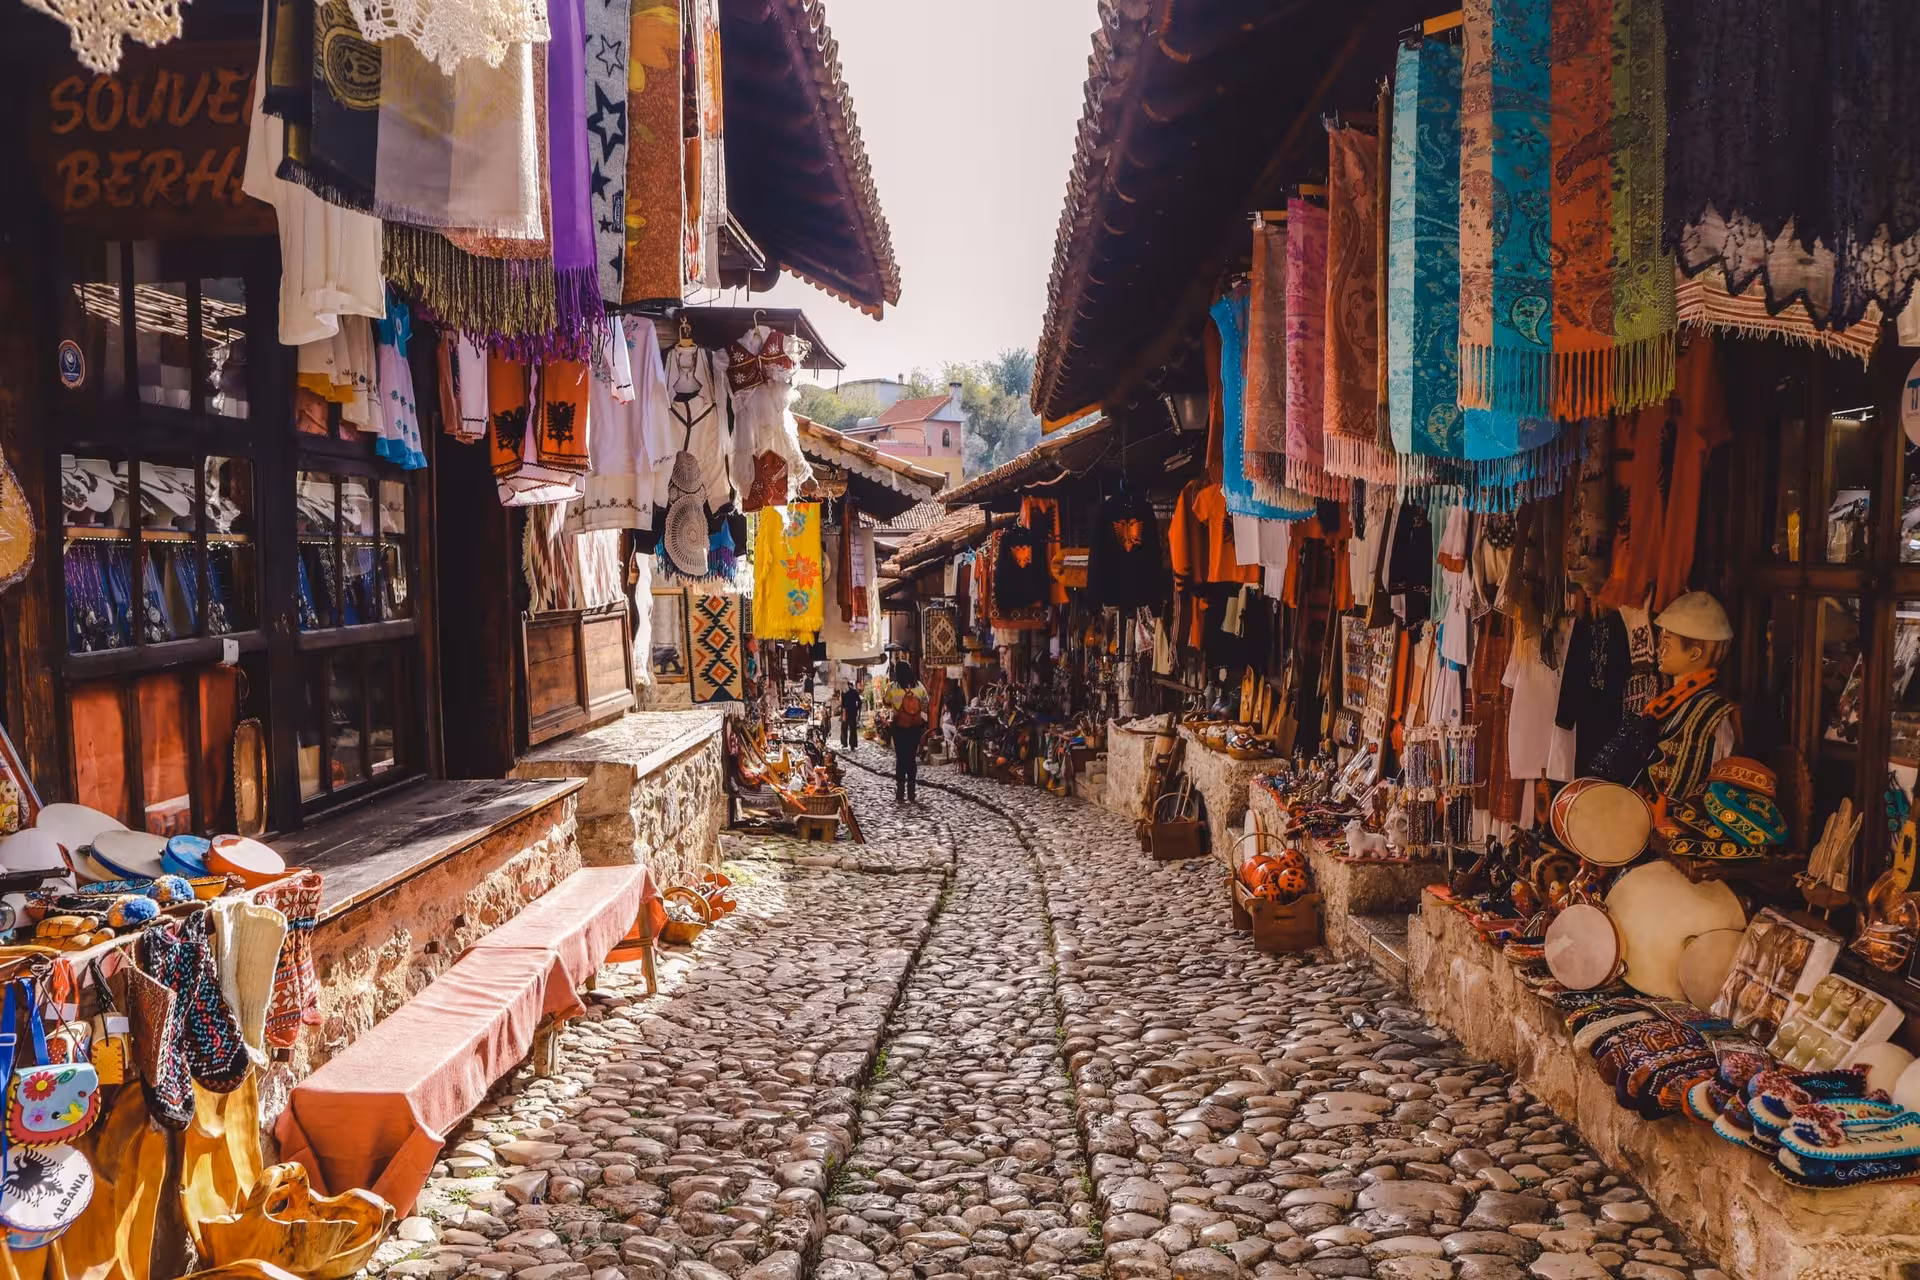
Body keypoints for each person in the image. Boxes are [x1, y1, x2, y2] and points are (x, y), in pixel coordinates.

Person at [887, 660, 930, 802]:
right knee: (911, 759)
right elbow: (926, 701)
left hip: (899, 728)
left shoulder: (893, 687)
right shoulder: (918, 686)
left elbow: (886, 701)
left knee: (901, 758)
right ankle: (911, 793)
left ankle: (900, 793)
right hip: (914, 727)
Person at [839, 679, 863, 751]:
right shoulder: (853, 692)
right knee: (851, 729)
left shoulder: (846, 692)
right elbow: (859, 702)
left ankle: (845, 743)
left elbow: (843, 704)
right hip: (851, 712)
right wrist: (857, 709)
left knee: (846, 728)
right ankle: (850, 744)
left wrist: (843, 713)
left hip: (847, 712)